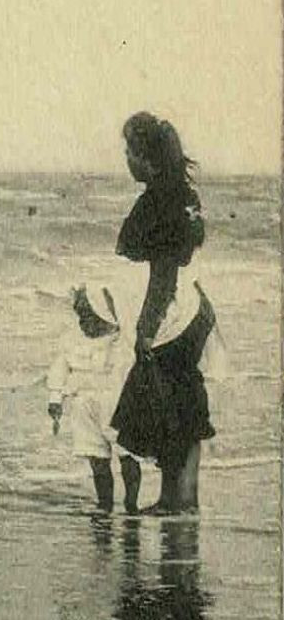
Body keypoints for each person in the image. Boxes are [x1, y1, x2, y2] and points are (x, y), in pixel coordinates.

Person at [108, 112, 217, 513]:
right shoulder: (182, 193)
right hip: (196, 308)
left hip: (175, 314)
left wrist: (146, 328)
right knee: (183, 403)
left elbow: (164, 270)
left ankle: (178, 499)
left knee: (165, 403)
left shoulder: (157, 200)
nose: (126, 159)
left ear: (146, 157)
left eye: (129, 151)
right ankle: (183, 498)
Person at [47, 284, 140, 513]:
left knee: (127, 455)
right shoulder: (71, 340)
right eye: (81, 317)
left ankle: (131, 503)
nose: (83, 323)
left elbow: (137, 370)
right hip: (83, 405)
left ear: (104, 315)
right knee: (96, 458)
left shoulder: (121, 340)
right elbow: (59, 368)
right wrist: (55, 397)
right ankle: (104, 503)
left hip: (116, 402)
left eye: (89, 317)